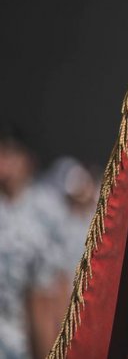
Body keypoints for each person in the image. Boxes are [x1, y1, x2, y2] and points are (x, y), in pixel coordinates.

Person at [0, 125, 67, 358]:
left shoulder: (46, 208)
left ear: (27, 160)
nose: (4, 162)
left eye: (10, 154)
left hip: (21, 341)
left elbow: (49, 294)